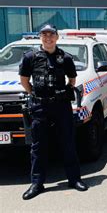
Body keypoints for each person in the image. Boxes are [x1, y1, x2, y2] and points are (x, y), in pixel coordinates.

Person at [19, 24, 88, 200]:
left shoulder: (65, 58)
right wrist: (34, 94)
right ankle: (37, 183)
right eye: (44, 35)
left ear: (57, 37)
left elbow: (72, 79)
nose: (48, 38)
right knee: (38, 146)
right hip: (40, 106)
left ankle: (74, 179)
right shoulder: (30, 57)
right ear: (40, 37)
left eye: (51, 35)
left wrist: (63, 92)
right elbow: (24, 80)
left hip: (61, 106)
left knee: (68, 143)